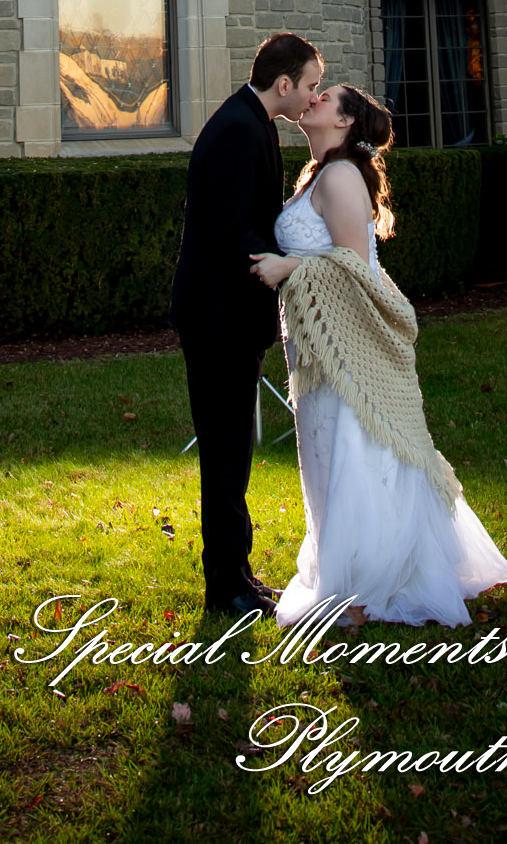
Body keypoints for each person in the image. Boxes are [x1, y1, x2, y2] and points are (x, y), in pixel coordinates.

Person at [250, 83, 507, 627]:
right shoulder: (318, 174)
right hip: (320, 342)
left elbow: (353, 266)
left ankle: (370, 580)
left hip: (349, 344)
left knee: (355, 452)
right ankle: (344, 569)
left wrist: (288, 267)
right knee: (326, 453)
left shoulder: (341, 176)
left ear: (345, 121)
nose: (313, 99)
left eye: (325, 96)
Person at [170, 31, 324, 617]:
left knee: (233, 451)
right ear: (283, 84)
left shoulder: (251, 121)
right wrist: (289, 266)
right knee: (225, 454)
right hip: (218, 319)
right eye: (309, 86)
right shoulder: (238, 129)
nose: (313, 97)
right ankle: (225, 588)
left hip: (228, 317)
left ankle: (238, 574)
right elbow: (234, 231)